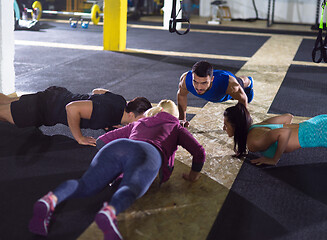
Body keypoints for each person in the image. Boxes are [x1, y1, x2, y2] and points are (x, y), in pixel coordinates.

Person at [28, 99, 206, 239]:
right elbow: (199, 152)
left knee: (85, 185)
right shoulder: (176, 127)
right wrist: (192, 176)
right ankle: (110, 212)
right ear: (174, 116)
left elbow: (102, 141)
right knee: (130, 187)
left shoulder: (138, 124)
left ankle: (51, 199)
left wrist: (114, 167)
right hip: (148, 153)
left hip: (120, 145)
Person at [0, 86, 152, 146]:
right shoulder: (108, 113)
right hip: (42, 109)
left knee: (6, 100)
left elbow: (97, 92)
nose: (142, 125)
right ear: (131, 114)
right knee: (3, 113)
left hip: (54, 96)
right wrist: (80, 137)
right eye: (142, 120)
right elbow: (71, 109)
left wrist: (101, 118)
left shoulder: (119, 102)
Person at [223, 103, 327, 165]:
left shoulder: (252, 143)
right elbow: (288, 117)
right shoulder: (258, 126)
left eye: (226, 125)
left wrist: (274, 159)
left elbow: (284, 133)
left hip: (317, 134)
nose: (223, 128)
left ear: (236, 126)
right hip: (315, 123)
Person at [177, 60, 254, 127]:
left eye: (204, 83)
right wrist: (182, 118)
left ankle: (250, 82)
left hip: (225, 89)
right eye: (195, 82)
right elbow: (181, 95)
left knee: (243, 82)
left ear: (212, 79)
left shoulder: (229, 84)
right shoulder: (185, 79)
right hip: (218, 90)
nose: (199, 87)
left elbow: (243, 99)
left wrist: (241, 122)